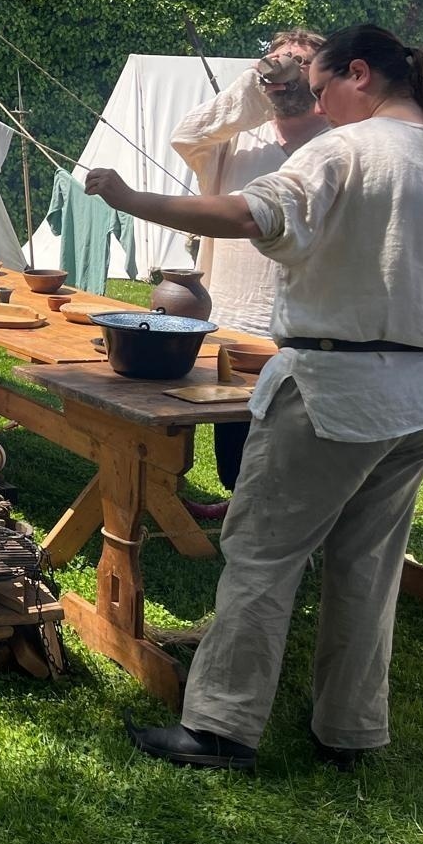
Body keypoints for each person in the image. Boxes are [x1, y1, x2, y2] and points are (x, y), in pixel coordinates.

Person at [84, 24, 423, 772]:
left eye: (324, 89)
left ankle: (220, 728)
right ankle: (350, 731)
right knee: (368, 565)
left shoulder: (346, 149)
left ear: (359, 74)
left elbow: (250, 213)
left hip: (336, 393)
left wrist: (132, 197)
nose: (318, 104)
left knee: (262, 557)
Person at [170, 29, 329, 506]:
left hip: (306, 318)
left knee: (294, 431)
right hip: (234, 314)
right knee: (234, 441)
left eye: (296, 62)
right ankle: (238, 500)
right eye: (273, 59)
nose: (279, 68)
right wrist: (255, 84)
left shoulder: (337, 145)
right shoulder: (234, 142)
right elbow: (185, 134)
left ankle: (286, 515)